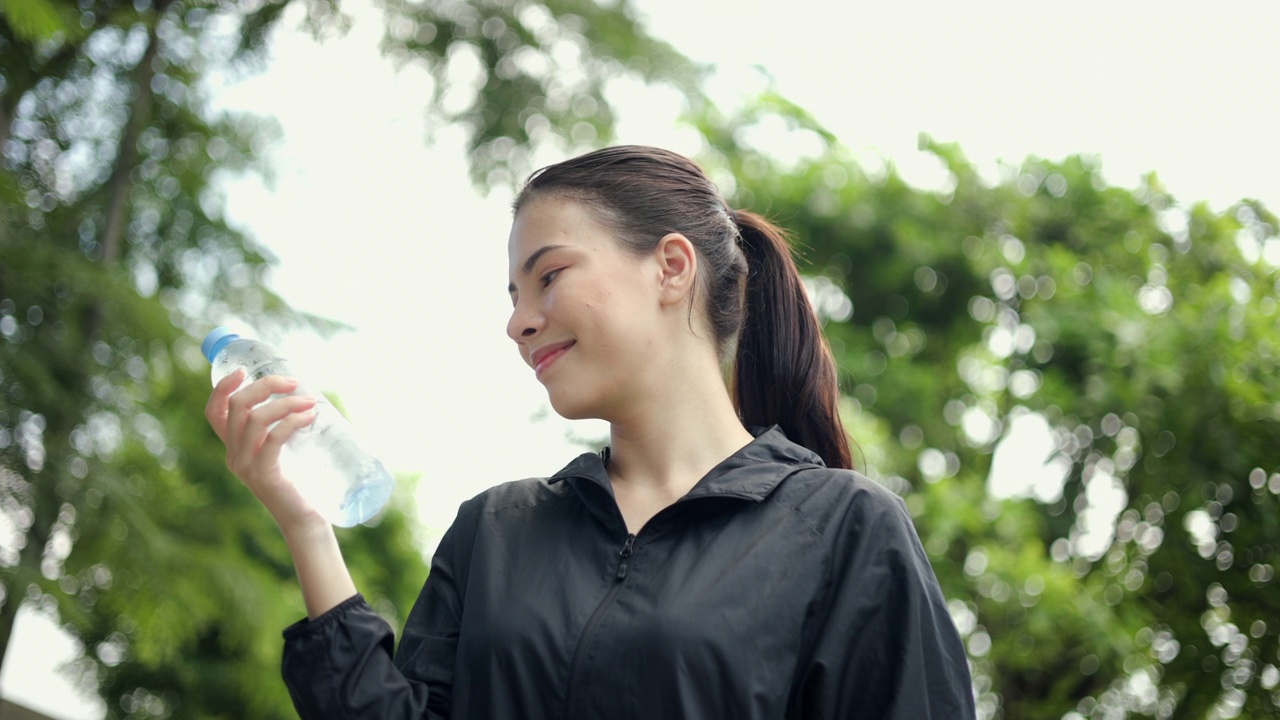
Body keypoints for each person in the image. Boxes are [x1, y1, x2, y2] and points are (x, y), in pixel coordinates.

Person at [205, 145, 976, 719]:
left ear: (671, 269)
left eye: (549, 276)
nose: (518, 321)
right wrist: (305, 523)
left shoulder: (845, 530)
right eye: (513, 293)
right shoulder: (494, 532)